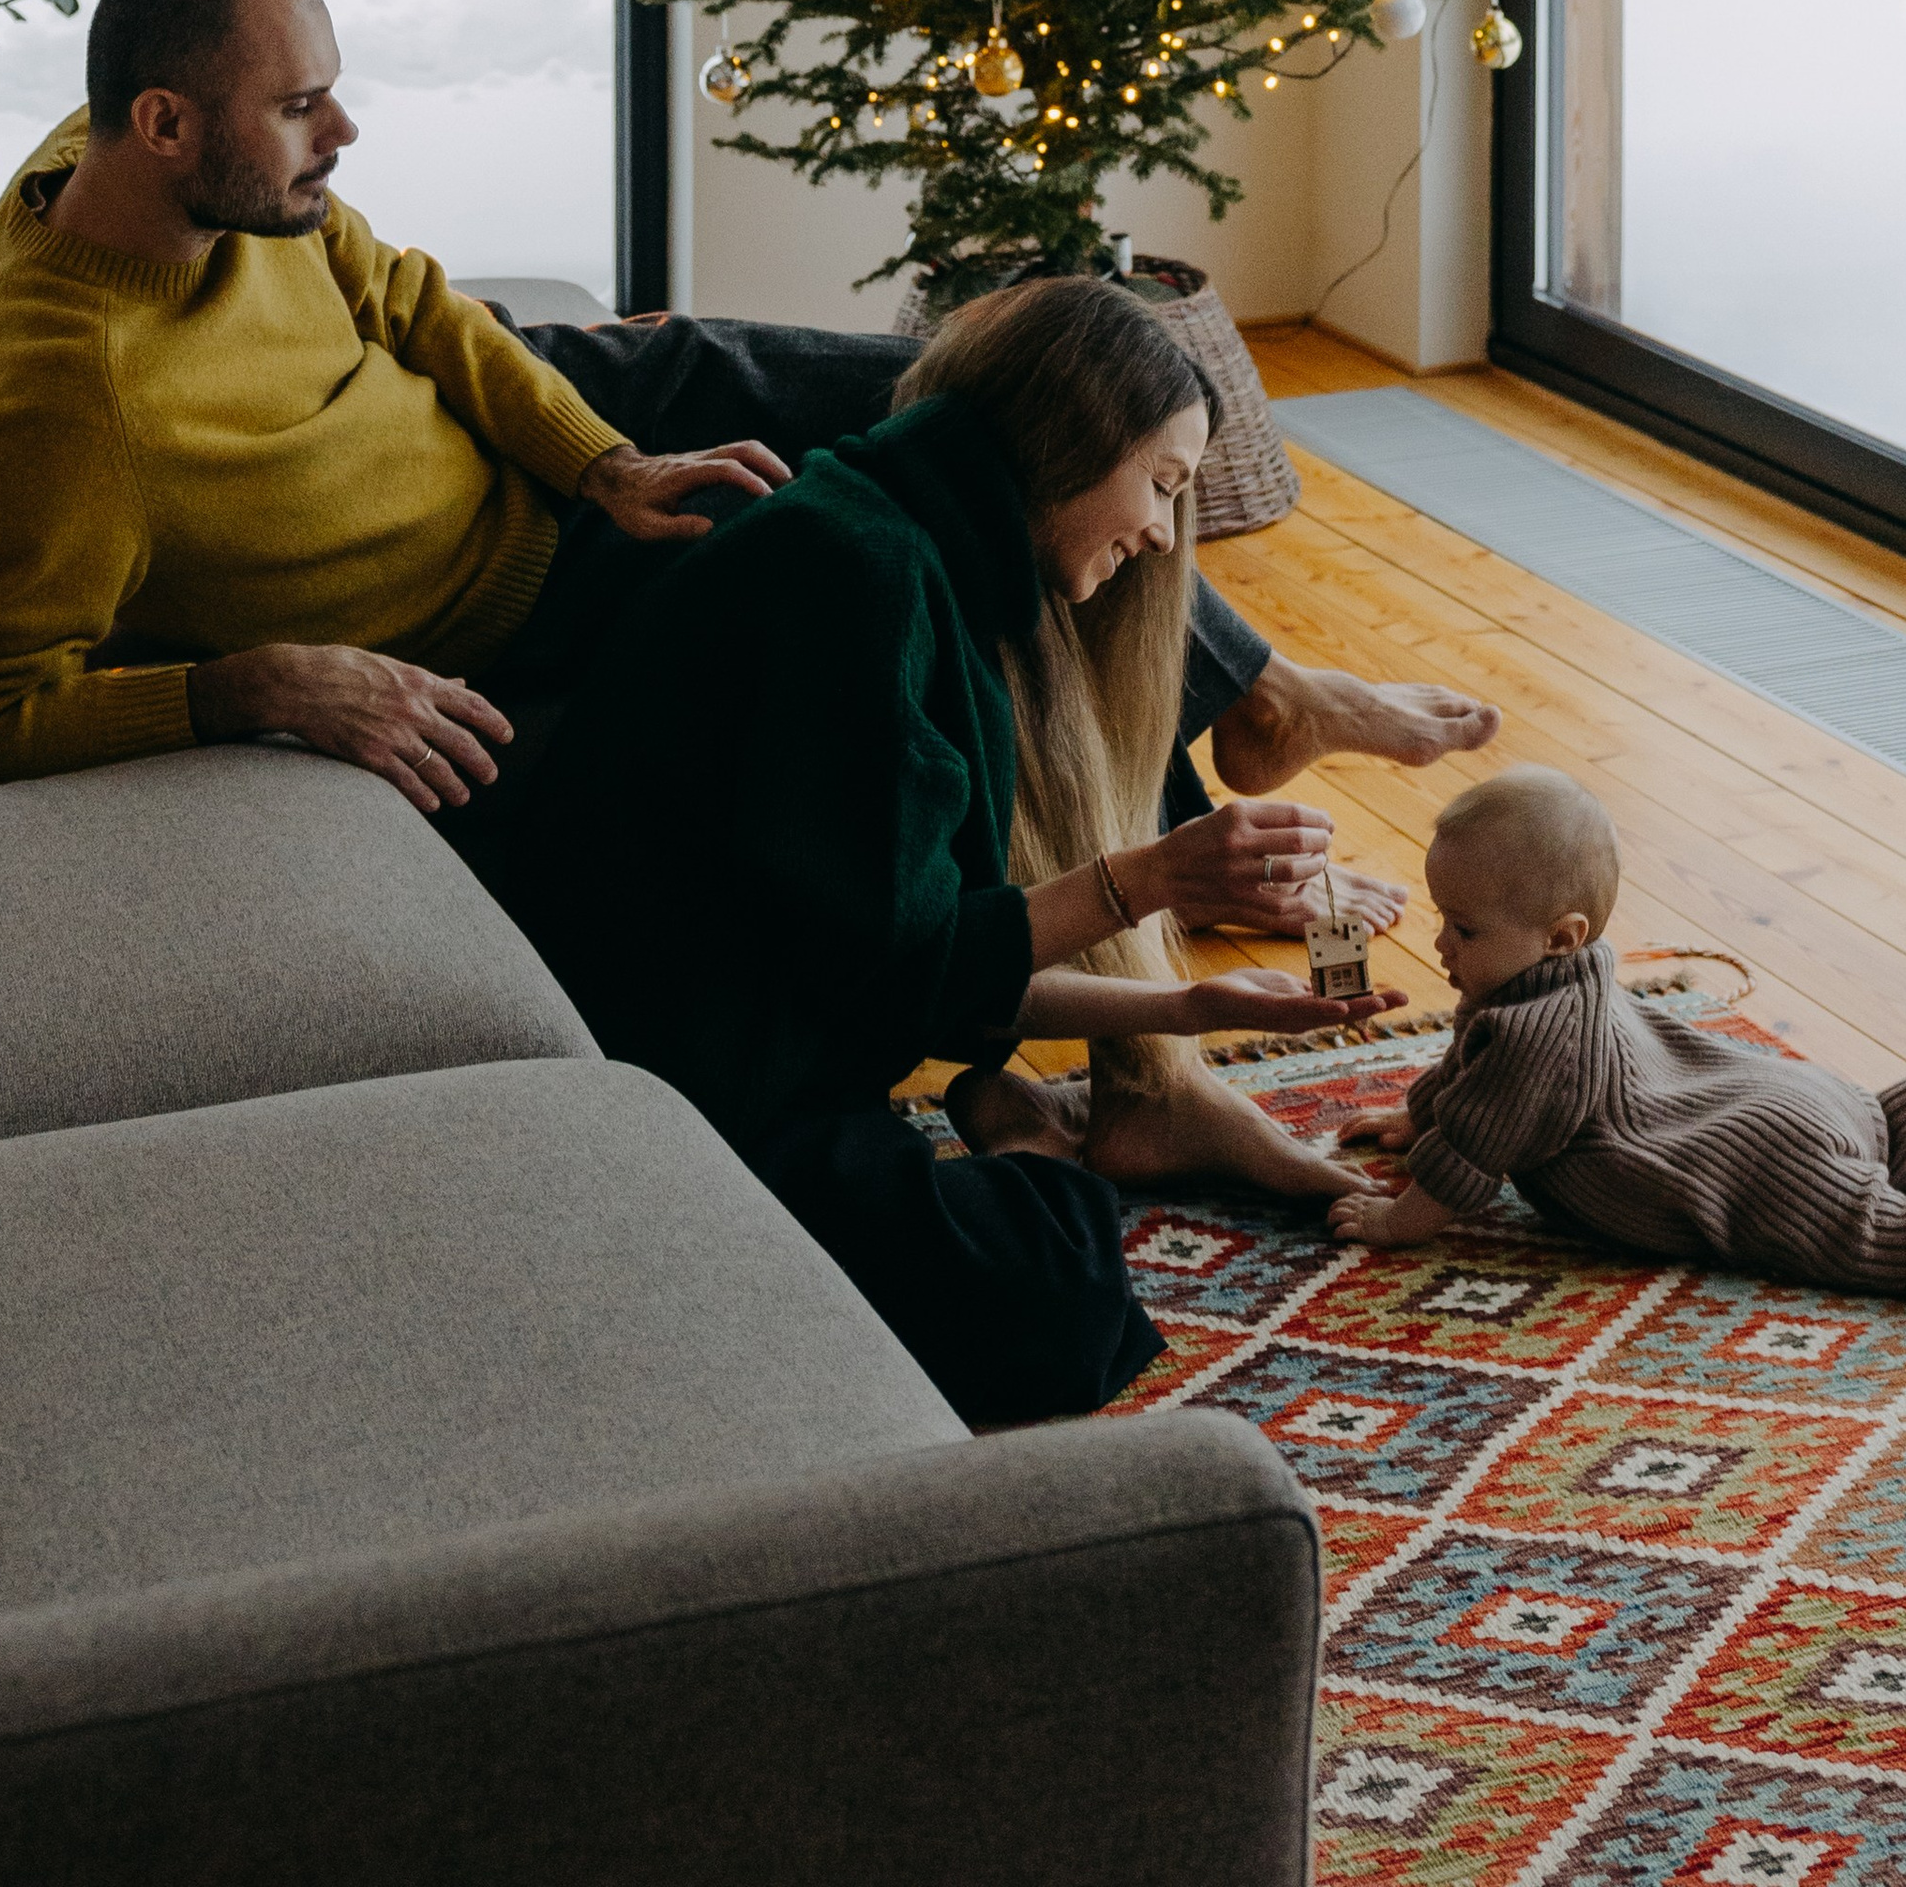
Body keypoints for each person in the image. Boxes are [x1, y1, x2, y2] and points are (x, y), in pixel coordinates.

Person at [0, 0, 1499, 932]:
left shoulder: (138, 157)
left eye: (332, 90)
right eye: (300, 109)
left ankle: (1261, 691)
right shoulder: (76, 402)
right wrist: (243, 684)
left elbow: (409, 298)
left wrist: (604, 457)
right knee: (924, 536)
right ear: (169, 125)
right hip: (527, 602)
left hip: (559, 446)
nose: (344, 133)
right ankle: (1183, 846)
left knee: (946, 388)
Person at [474, 274, 1403, 1424]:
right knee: (1052, 1292)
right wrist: (1152, 879)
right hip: (672, 1096)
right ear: (1074, 436)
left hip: (761, 1051)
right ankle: (1028, 1148)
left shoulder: (905, 545)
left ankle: (1041, 1144)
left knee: (1043, 1278)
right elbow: (904, 965)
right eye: (1160, 486)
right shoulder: (852, 572)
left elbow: (901, 951)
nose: (1161, 533)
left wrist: (1191, 1010)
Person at [1325, 766, 1906, 1330]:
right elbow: (1470, 1082)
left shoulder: (1531, 1036)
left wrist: (1399, 1222)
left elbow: (1470, 1154)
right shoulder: (1560, 979)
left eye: (1464, 929)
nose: (1441, 943)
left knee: (1871, 1232)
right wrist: (1416, 1112)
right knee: (1877, 1129)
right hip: (1783, 1100)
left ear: (1561, 936)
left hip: (1755, 1167)